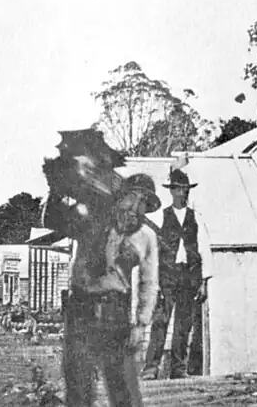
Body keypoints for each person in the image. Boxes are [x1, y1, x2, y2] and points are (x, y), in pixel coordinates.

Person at [47, 173, 160, 407]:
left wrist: (140, 324)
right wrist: (56, 191)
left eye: (144, 203)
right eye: (133, 198)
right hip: (81, 310)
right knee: (78, 389)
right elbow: (53, 220)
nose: (136, 207)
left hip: (115, 313)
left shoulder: (147, 236)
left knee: (124, 391)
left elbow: (149, 282)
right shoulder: (92, 220)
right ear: (120, 197)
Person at [142, 168, 214, 380]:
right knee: (161, 321)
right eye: (177, 189)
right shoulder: (160, 217)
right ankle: (151, 368)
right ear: (171, 192)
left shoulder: (196, 219)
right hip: (167, 277)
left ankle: (178, 368)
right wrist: (154, 282)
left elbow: (204, 250)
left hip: (189, 276)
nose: (182, 193)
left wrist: (203, 283)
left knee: (184, 324)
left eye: (185, 189)